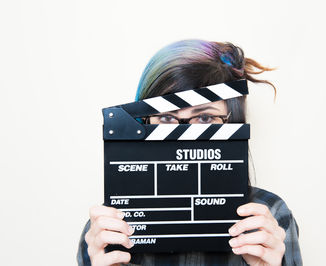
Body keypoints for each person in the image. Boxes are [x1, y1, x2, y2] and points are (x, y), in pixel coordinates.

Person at [77, 39, 302, 266]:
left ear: (232, 124)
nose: (183, 135)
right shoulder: (108, 232)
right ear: (144, 123)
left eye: (204, 118)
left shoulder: (270, 220)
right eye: (166, 117)